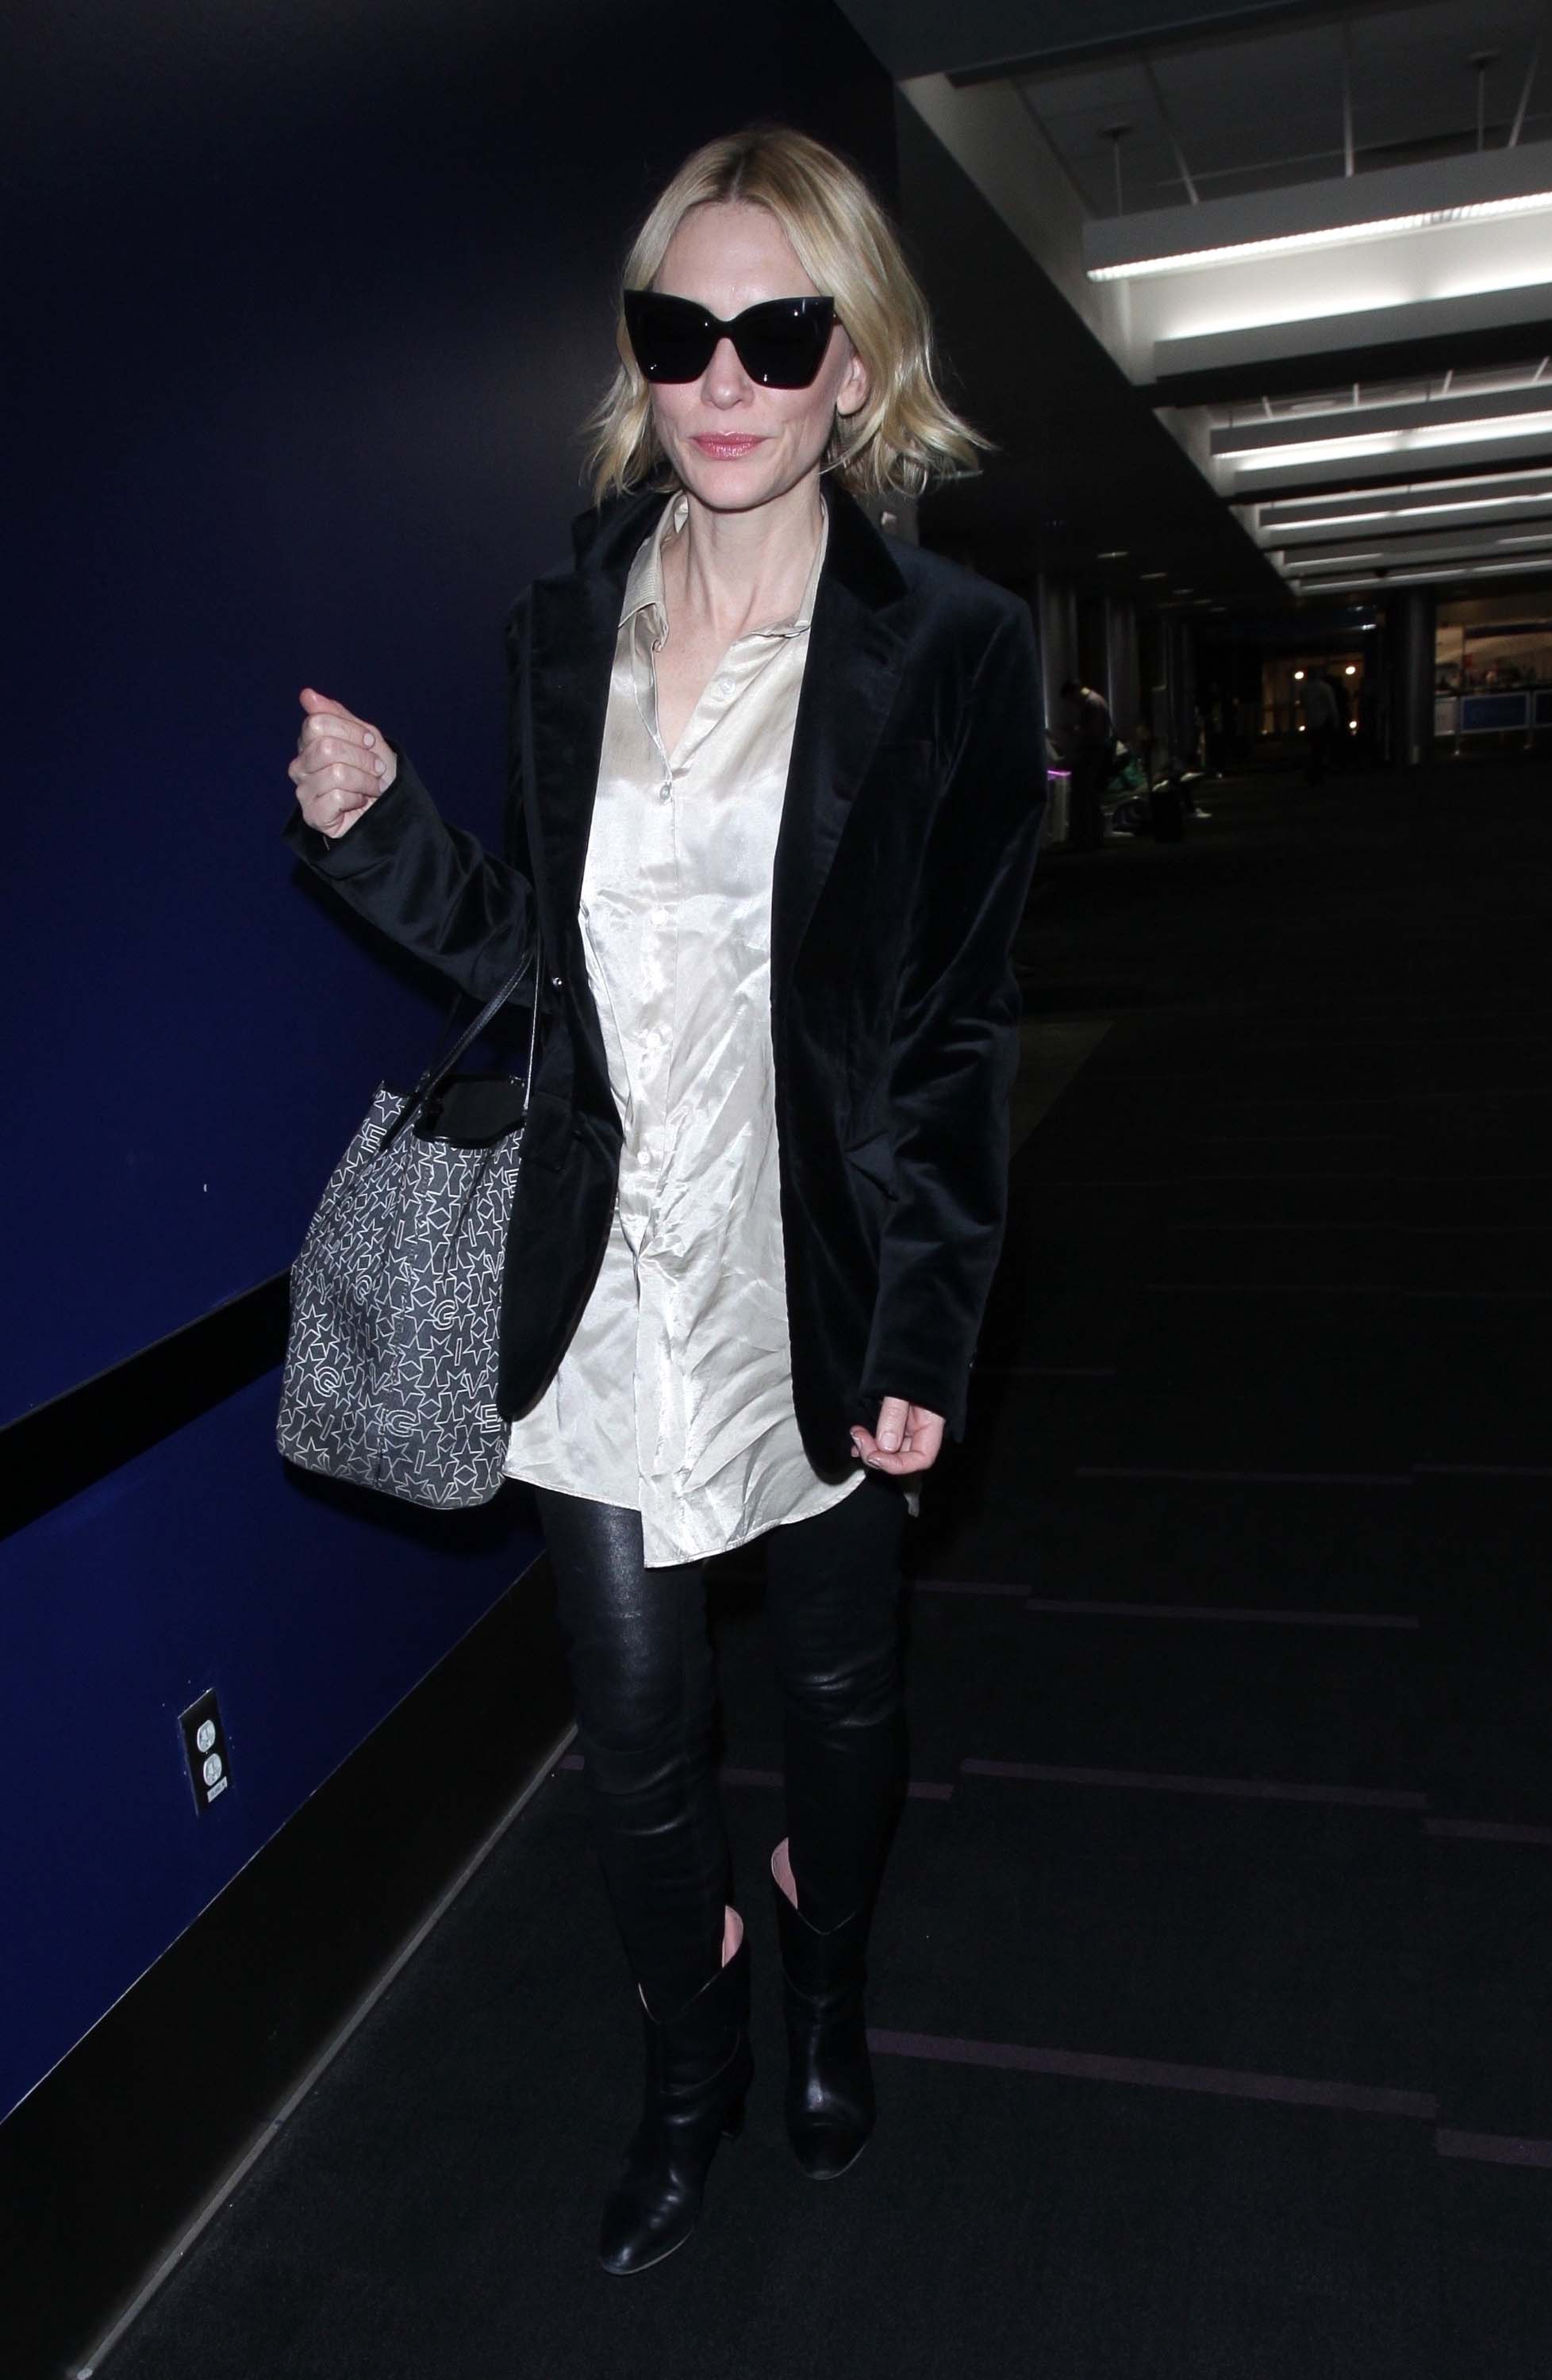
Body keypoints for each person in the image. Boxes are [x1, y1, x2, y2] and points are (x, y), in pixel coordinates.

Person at [282, 127, 1045, 2276]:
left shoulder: (951, 648)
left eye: (776, 334)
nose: (723, 377)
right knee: (634, 1749)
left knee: (842, 1713)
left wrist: (929, 1324)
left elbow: (958, 1025)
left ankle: (824, 1977)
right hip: (605, 1283)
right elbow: (539, 964)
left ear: (853, 369)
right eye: (678, 329)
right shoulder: (563, 633)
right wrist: (380, 832)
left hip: (816, 1281)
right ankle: (689, 2070)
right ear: (637, 355)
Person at [1060, 677, 1111, 850]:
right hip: (1095, 751)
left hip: (1092, 753)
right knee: (1091, 795)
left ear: (1074, 693)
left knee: (1084, 795)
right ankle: (1093, 837)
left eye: (1070, 699)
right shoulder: (1096, 700)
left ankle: (1087, 838)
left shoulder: (1091, 703)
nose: (1072, 704)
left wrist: (1072, 730)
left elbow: (1092, 732)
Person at [1299, 666, 1338, 784]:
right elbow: (1332, 706)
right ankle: (1319, 773)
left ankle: (1314, 773)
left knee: (1314, 748)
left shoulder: (1304, 689)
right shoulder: (1325, 688)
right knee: (1322, 748)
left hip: (1311, 722)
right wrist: (1335, 720)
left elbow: (1303, 704)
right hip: (1324, 721)